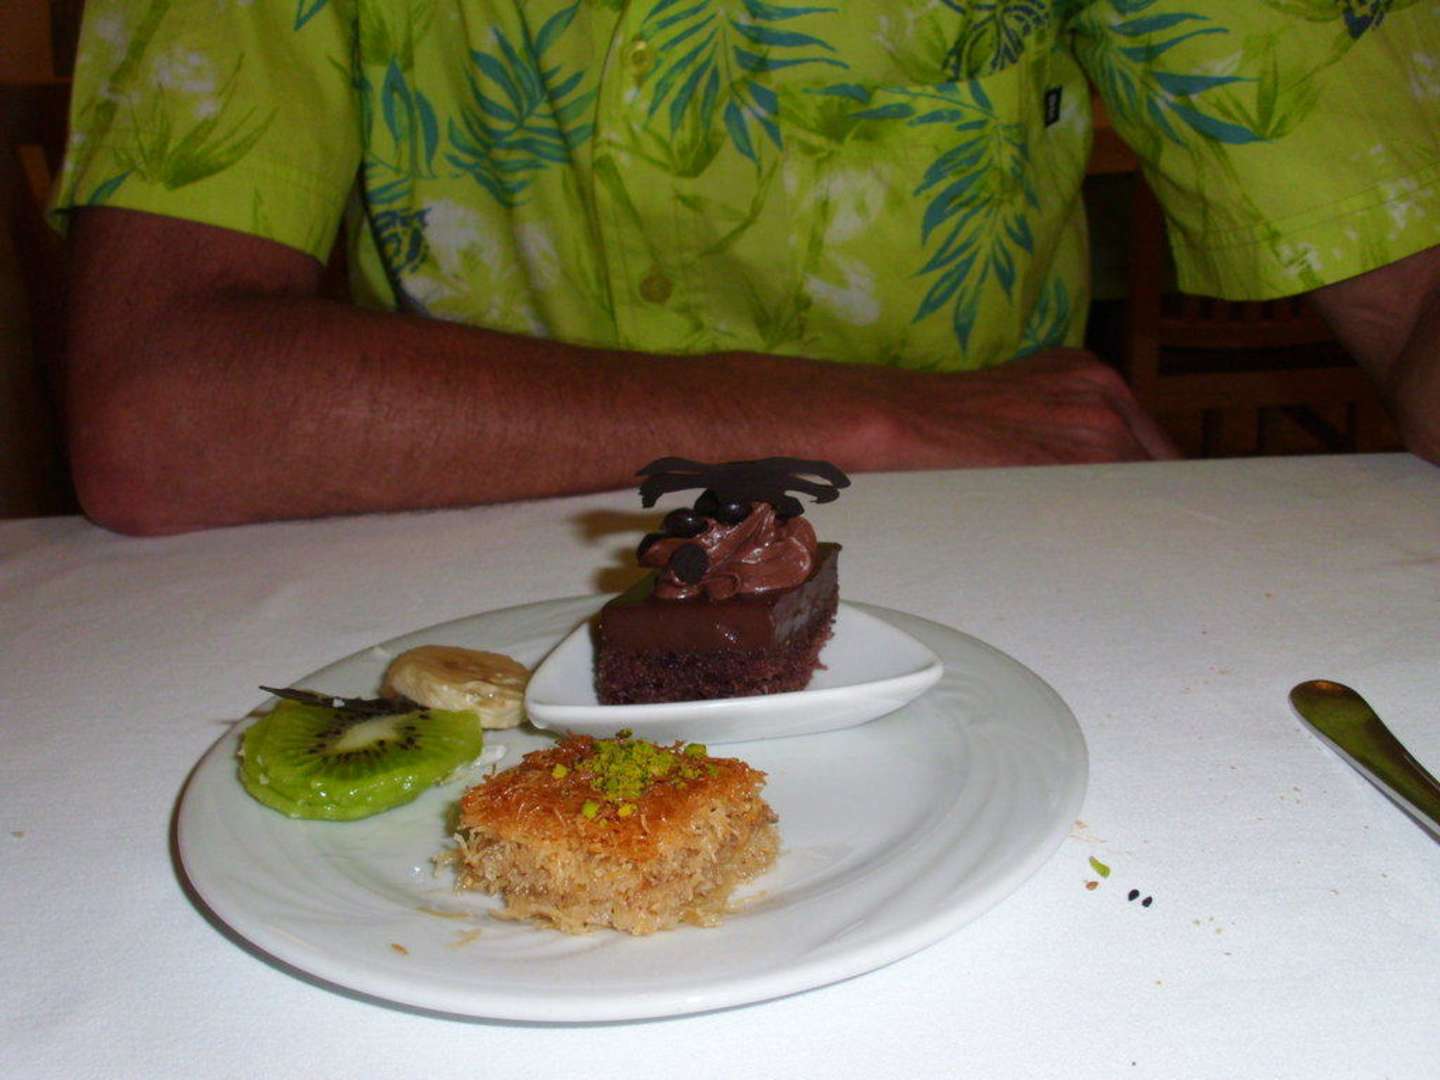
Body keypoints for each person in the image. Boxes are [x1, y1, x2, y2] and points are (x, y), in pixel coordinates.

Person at [53, 1, 1440, 535]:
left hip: (993, 581)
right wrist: (861, 423)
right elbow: (159, 413)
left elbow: (1418, 285)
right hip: (456, 584)